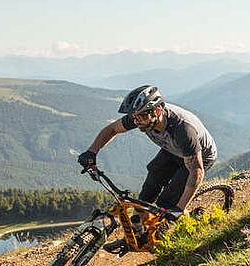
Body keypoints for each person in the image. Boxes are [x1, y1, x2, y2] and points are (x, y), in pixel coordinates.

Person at [76, 85, 218, 220]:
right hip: (173, 150)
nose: (136, 121)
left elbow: (196, 171)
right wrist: (92, 152)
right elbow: (112, 129)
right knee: (145, 196)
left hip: (199, 156)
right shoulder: (142, 116)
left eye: (140, 117)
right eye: (134, 117)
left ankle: (188, 225)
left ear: (156, 111)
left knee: (167, 204)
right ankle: (142, 236)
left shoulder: (183, 130)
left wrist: (179, 208)